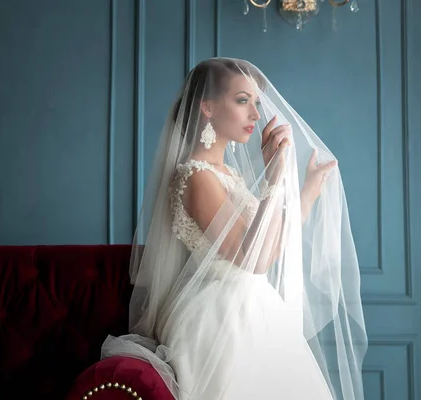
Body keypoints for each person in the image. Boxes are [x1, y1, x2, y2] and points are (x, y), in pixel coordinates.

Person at [101, 57, 367, 400]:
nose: (256, 115)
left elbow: (269, 248)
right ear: (208, 107)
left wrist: (308, 192)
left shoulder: (228, 174)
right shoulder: (196, 177)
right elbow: (251, 258)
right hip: (222, 318)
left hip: (255, 307)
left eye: (256, 102)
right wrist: (273, 176)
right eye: (243, 101)